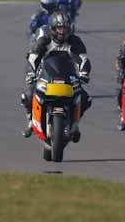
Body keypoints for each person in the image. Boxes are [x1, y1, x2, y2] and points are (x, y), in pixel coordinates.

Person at [21, 11, 92, 140]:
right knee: (27, 96)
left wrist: (84, 73)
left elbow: (83, 59)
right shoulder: (44, 41)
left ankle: (75, 125)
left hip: (68, 78)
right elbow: (32, 59)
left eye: (65, 28)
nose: (62, 32)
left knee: (85, 98)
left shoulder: (75, 41)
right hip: (45, 77)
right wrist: (30, 73)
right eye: (59, 28)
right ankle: (31, 121)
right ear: (52, 28)